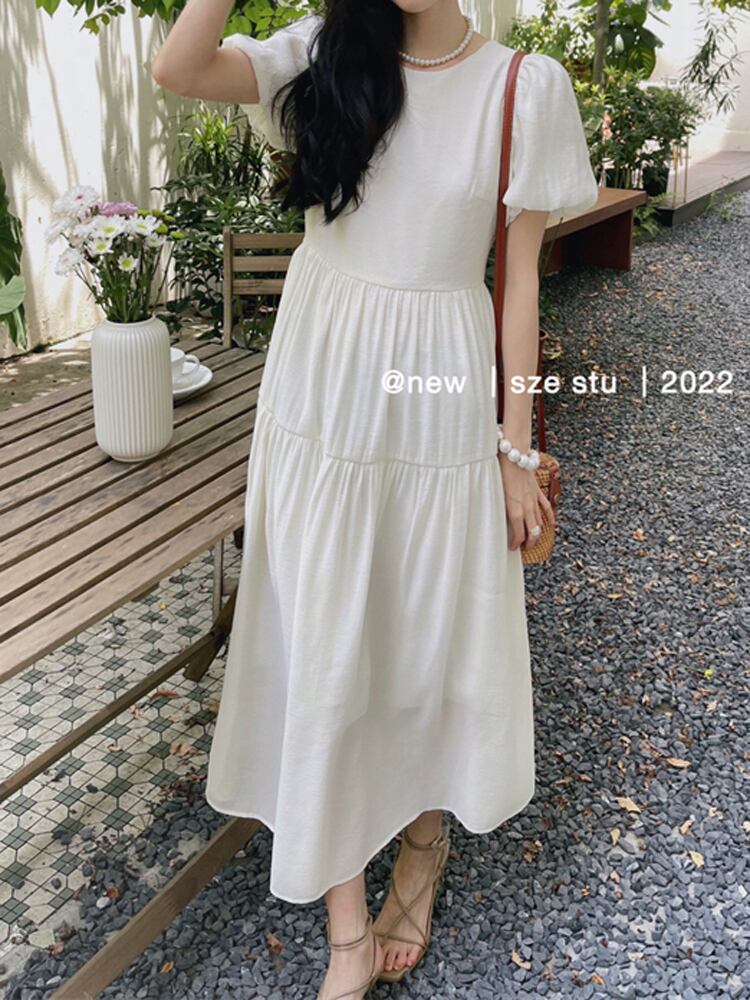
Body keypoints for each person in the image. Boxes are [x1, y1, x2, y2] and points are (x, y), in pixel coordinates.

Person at [151, 2, 598, 997]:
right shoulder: (321, 52)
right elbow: (178, 67)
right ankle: (346, 924)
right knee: (326, 629)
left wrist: (515, 449)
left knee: (431, 620)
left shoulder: (521, 88)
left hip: (442, 384)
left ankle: (424, 840)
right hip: (322, 386)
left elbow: (519, 285)